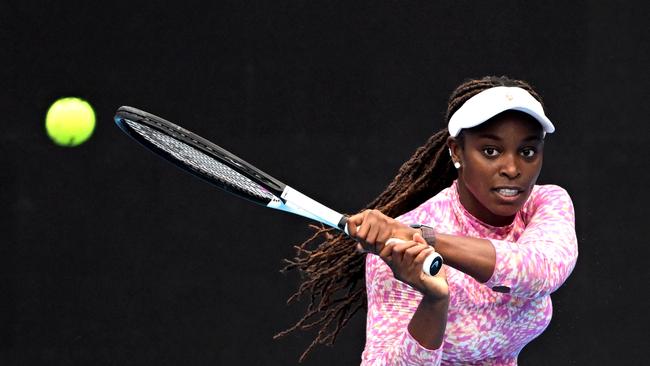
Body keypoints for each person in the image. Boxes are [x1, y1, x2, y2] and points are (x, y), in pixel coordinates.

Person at [278, 76, 578, 365]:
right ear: (456, 151)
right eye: (491, 151)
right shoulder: (398, 251)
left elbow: (540, 271)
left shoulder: (545, 202)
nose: (512, 168)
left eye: (527, 151)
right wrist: (434, 303)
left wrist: (427, 238)